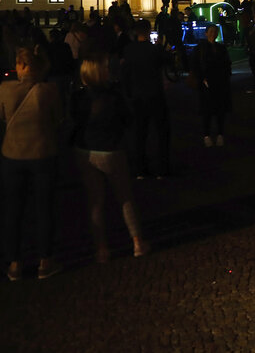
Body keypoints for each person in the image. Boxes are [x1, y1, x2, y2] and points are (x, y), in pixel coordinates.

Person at [72, 53, 149, 263]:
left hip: (86, 150)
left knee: (95, 201)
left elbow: (73, 121)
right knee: (124, 197)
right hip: (111, 149)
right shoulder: (113, 95)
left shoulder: (79, 97)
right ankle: (137, 242)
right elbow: (128, 119)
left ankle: (102, 249)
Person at [1, 47, 63, 280]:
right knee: (44, 208)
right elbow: (58, 119)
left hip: (13, 154)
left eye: (19, 64)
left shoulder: (5, 89)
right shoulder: (49, 90)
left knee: (13, 210)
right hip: (42, 153)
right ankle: (45, 260)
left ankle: (15, 262)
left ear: (21, 66)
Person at [121, 19, 171, 178]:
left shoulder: (129, 50)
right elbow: (168, 64)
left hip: (137, 96)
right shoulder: (155, 49)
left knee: (140, 133)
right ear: (149, 31)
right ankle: (161, 168)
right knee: (161, 132)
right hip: (155, 94)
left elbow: (125, 74)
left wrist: (128, 93)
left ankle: (140, 169)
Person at [192, 25, 233, 147]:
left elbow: (227, 64)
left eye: (214, 32)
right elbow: (195, 65)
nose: (213, 34)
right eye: (210, 31)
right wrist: (201, 78)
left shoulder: (220, 48)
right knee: (207, 111)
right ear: (206, 33)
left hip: (220, 82)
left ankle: (220, 134)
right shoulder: (201, 48)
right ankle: (207, 135)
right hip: (206, 83)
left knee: (220, 110)